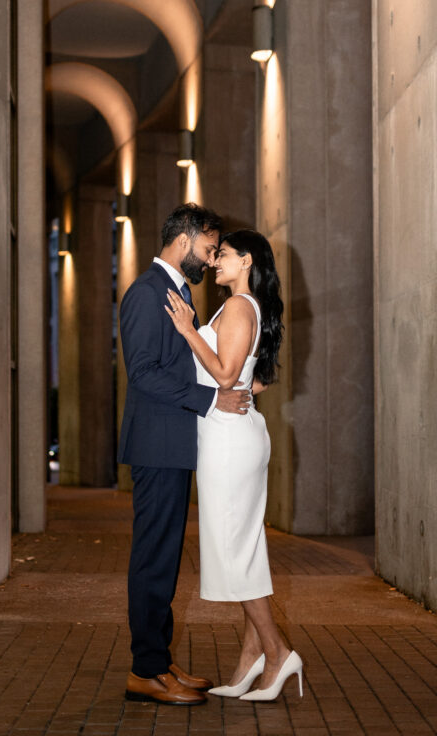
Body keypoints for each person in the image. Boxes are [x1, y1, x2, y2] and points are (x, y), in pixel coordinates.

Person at [118, 204, 252, 706]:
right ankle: (145, 671)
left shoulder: (178, 293)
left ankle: (159, 660)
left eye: (217, 250)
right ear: (185, 239)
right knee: (153, 558)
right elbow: (144, 373)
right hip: (156, 446)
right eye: (209, 247)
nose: (213, 256)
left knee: (166, 558)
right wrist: (211, 398)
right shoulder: (147, 293)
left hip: (174, 445)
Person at [165, 229, 303, 702]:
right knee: (244, 549)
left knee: (234, 551)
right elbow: (253, 377)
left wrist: (187, 331)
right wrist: (242, 385)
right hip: (229, 435)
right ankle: (252, 658)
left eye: (222, 255)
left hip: (229, 442)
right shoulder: (240, 307)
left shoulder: (241, 307)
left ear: (246, 261)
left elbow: (225, 373)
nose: (214, 262)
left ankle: (277, 652)